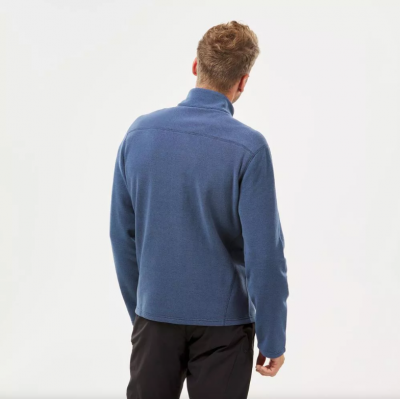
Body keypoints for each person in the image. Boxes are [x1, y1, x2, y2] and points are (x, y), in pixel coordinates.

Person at [109, 20, 289, 399]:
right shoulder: (249, 148)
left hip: (154, 317)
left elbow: (122, 235)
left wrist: (143, 310)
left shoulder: (140, 134)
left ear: (196, 65)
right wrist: (272, 336)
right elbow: (265, 255)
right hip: (225, 326)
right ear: (243, 81)